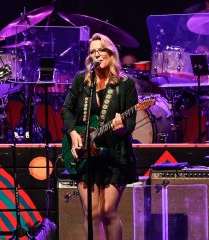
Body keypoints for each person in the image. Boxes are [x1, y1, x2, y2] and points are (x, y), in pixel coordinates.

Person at [61, 33, 138, 239]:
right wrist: (73, 132)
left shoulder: (125, 85)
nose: (97, 54)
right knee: (92, 213)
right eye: (93, 51)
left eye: (101, 50)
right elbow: (67, 109)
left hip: (114, 155)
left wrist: (119, 127)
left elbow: (129, 125)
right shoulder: (82, 80)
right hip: (86, 153)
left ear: (111, 53)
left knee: (108, 212)